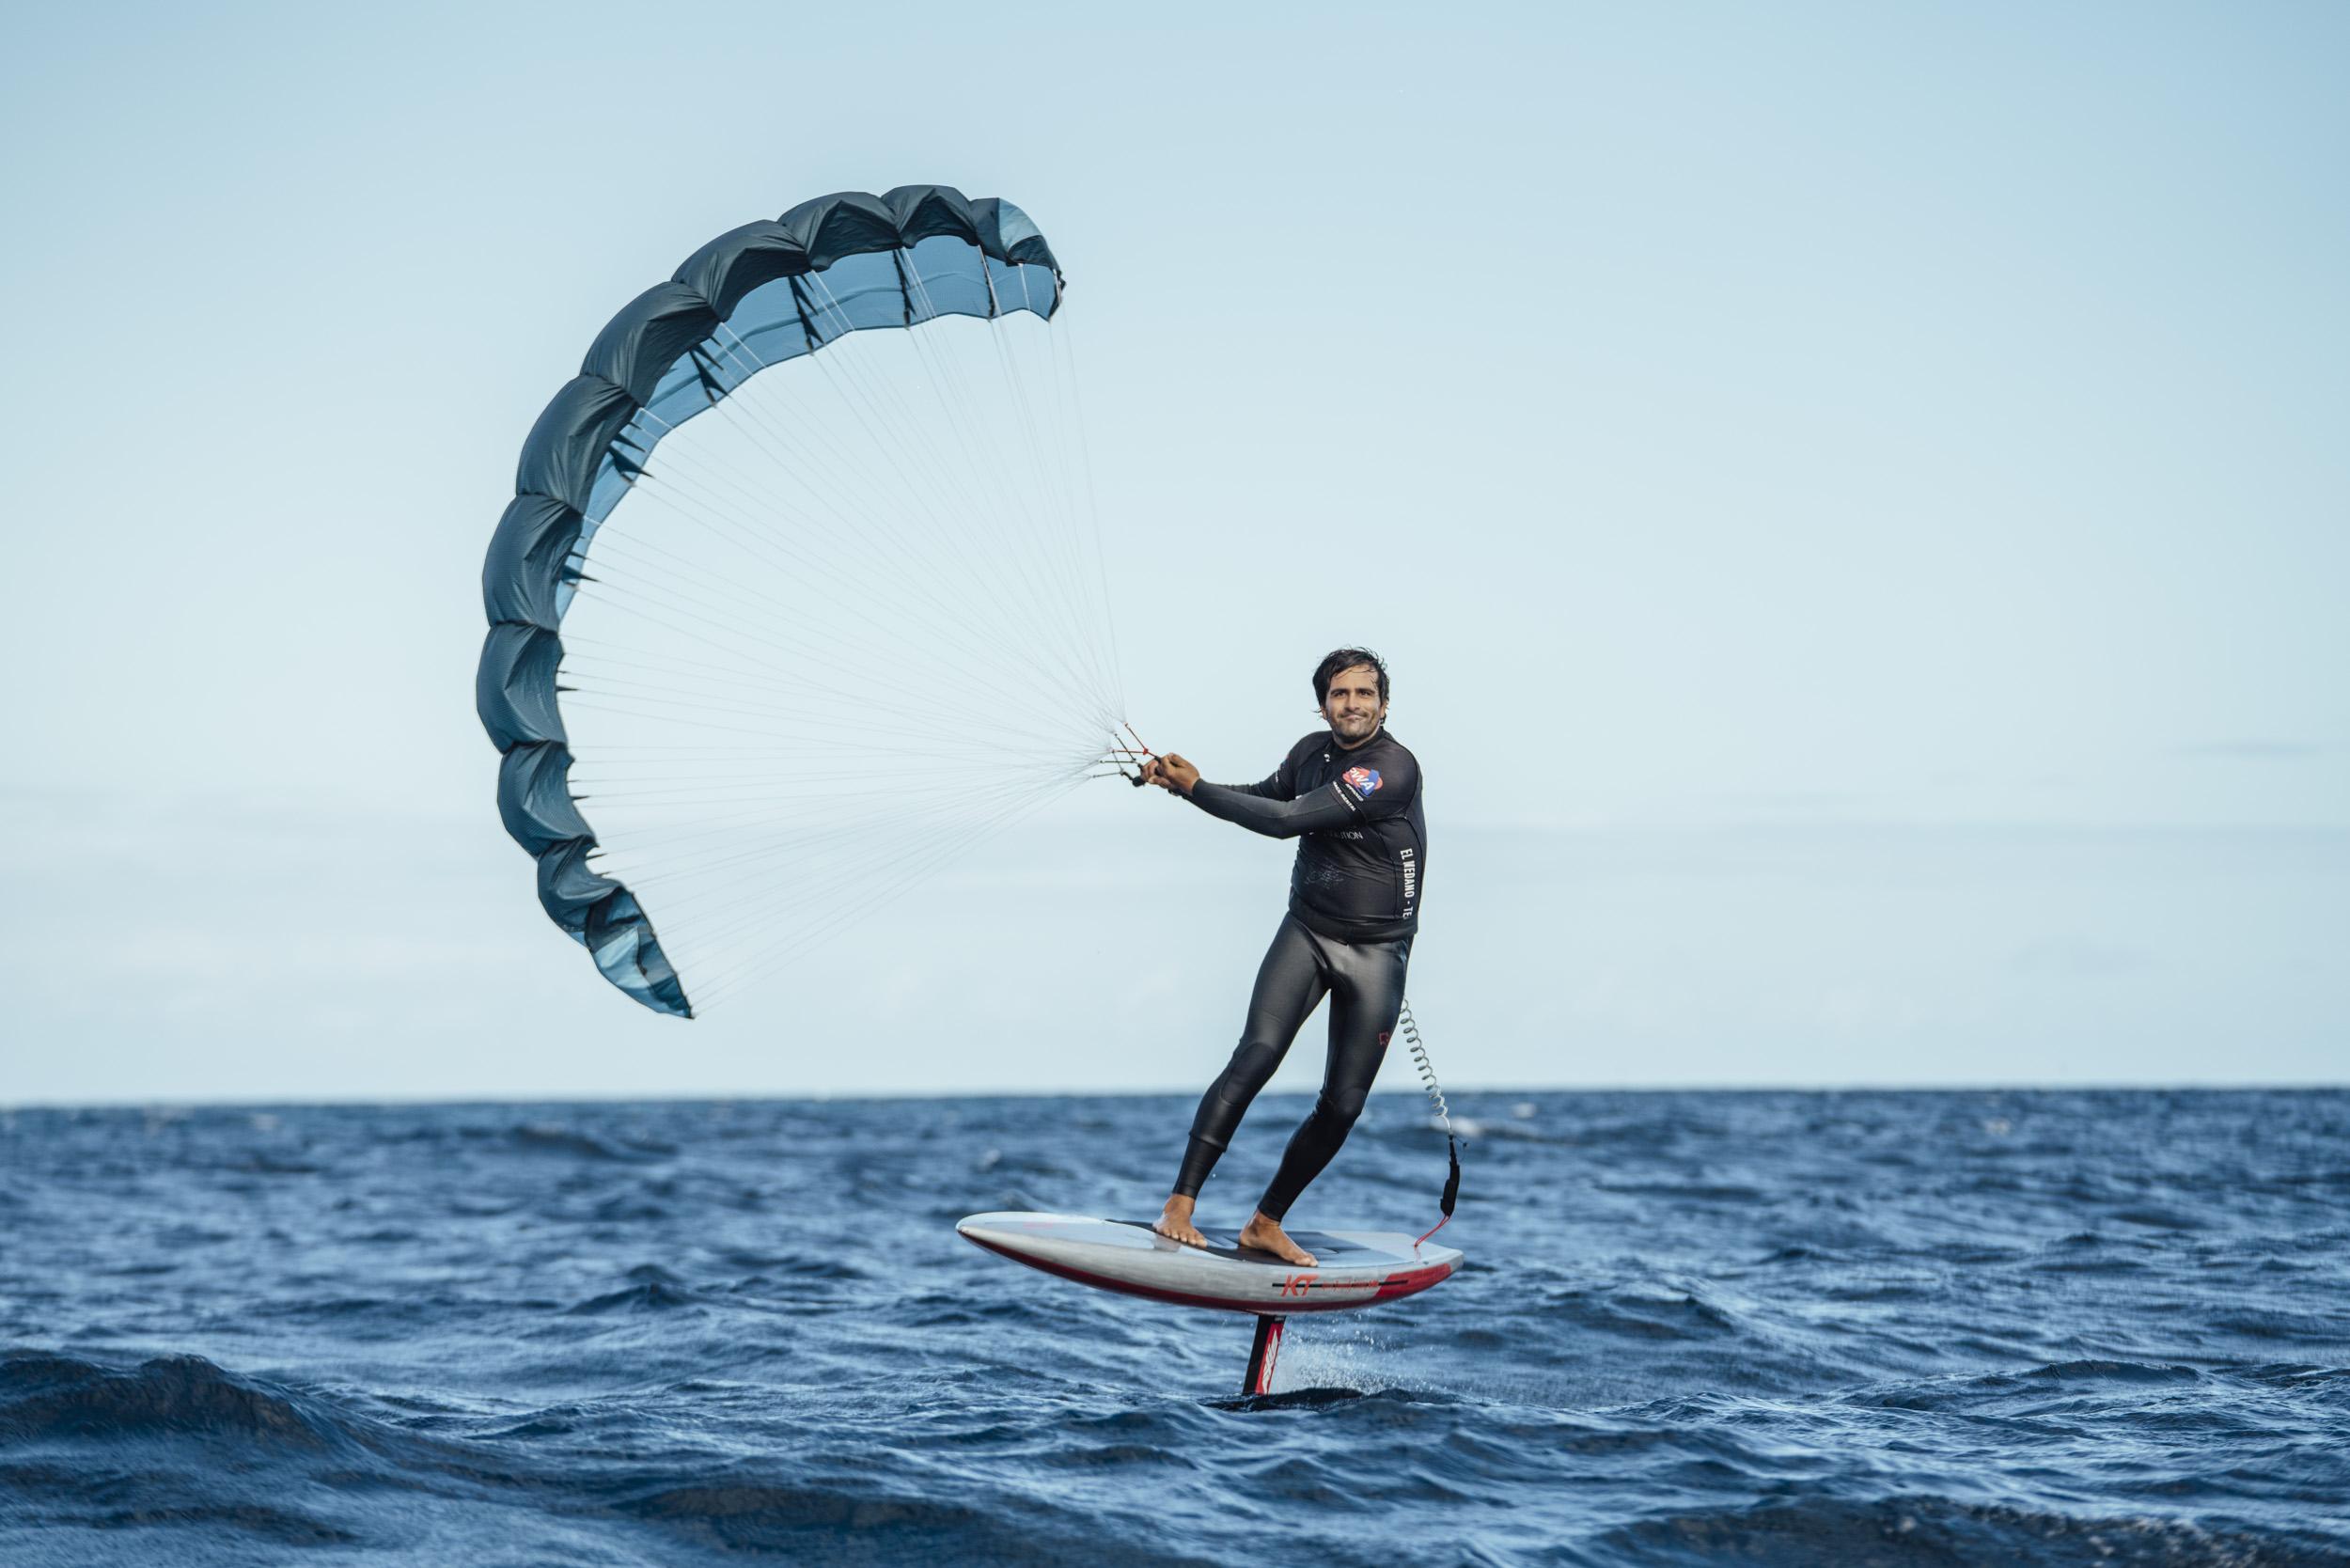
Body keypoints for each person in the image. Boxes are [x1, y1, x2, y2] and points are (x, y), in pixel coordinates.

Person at [1138, 648, 1427, 1266]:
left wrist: (1198, 790)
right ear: (1323, 703)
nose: (1352, 704)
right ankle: (1179, 1206)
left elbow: (1287, 821)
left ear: (1384, 703)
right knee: (1257, 1054)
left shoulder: (1390, 769)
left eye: (1364, 694)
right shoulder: (1309, 753)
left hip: (1378, 952)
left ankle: (1265, 1223)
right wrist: (1189, 786)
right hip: (1309, 932)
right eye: (1340, 694)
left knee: (1342, 1105)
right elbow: (1271, 796)